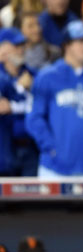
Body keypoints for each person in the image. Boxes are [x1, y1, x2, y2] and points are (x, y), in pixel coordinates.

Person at [26, 21, 83, 178]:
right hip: (54, 168)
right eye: (81, 42)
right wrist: (51, 148)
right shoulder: (47, 77)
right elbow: (34, 118)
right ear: (67, 45)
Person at [0, 28, 38, 177]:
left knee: (32, 197)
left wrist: (12, 106)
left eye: (22, 45)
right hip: (4, 148)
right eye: (15, 46)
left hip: (31, 146)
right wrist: (20, 88)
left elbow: (39, 107)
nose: (20, 50)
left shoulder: (34, 74)